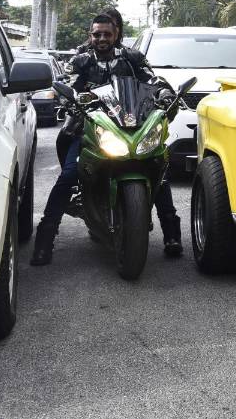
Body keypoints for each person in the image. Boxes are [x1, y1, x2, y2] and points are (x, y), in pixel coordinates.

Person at [31, 14, 184, 265]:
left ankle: (172, 235)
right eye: (97, 34)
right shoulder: (80, 60)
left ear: (116, 35)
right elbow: (67, 85)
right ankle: (45, 241)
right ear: (90, 35)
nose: (102, 38)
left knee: (158, 168)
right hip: (86, 129)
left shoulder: (132, 58)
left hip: (129, 126)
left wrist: (165, 92)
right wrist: (72, 97)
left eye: (107, 34)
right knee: (69, 175)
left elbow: (152, 80)